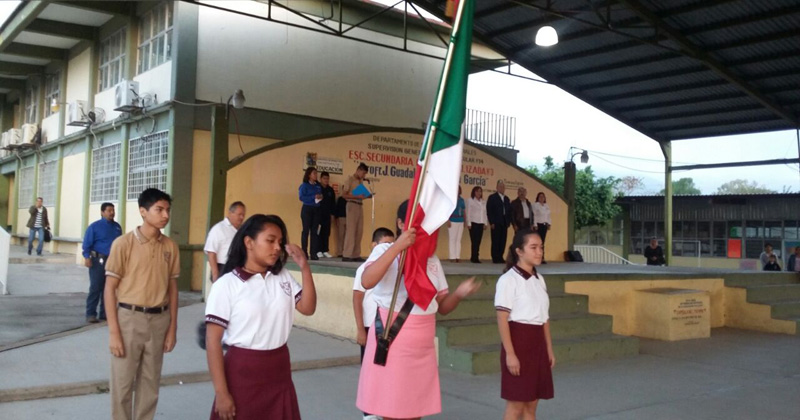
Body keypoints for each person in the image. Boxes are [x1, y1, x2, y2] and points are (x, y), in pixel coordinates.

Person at [356, 200, 481, 419]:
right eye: (418, 223)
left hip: (422, 350)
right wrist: (398, 247)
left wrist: (459, 294)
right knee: (392, 411)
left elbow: (442, 307)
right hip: (393, 342)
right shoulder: (385, 250)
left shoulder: (431, 259)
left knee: (415, 411)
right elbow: (367, 280)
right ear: (400, 223)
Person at [205, 214, 316, 420]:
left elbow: (308, 308)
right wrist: (221, 393)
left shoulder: (282, 276)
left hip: (279, 368)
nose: (277, 248)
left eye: (280, 242)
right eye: (270, 240)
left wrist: (304, 267)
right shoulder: (227, 285)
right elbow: (212, 342)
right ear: (249, 242)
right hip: (242, 371)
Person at [104, 188, 180, 420]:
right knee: (123, 384)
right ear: (143, 212)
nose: (165, 215)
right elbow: (109, 289)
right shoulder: (123, 244)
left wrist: (172, 328)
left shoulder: (170, 247)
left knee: (150, 384)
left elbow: (172, 289)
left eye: (168, 210)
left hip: (159, 321)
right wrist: (114, 333)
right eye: (159, 209)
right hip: (129, 320)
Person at [495, 228, 555, 419]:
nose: (539, 252)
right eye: (533, 247)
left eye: (541, 247)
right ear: (519, 251)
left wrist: (549, 349)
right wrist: (510, 354)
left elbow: (544, 319)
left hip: (537, 344)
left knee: (532, 404)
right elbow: (502, 318)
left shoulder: (539, 279)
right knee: (516, 405)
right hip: (519, 343)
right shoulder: (508, 280)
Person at [353, 227, 395, 420]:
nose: (388, 248)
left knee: (386, 370)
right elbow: (357, 298)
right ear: (373, 245)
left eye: (392, 244)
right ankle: (369, 412)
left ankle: (384, 406)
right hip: (370, 326)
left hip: (388, 327)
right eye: (384, 244)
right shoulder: (364, 269)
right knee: (369, 371)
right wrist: (360, 329)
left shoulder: (394, 268)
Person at [82, 202, 122, 323]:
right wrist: (87, 257)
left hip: (112, 260)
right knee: (96, 287)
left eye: (113, 210)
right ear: (102, 212)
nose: (112, 213)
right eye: (109, 210)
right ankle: (91, 313)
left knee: (109, 288)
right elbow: (86, 244)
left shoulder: (117, 227)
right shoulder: (94, 227)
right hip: (98, 260)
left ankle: (105, 314)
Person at [204, 202, 246, 283]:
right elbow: (211, 252)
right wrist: (215, 273)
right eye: (239, 214)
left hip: (237, 268)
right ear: (230, 213)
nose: (242, 217)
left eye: (243, 215)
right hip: (223, 268)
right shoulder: (218, 229)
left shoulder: (242, 230)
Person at [341, 162, 370, 262]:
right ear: (358, 170)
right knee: (351, 230)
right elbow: (344, 195)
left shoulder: (360, 181)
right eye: (363, 173)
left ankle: (355, 254)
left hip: (359, 205)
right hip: (352, 205)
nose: (364, 175)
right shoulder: (350, 179)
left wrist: (367, 196)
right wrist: (357, 196)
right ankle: (347, 254)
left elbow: (361, 194)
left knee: (359, 230)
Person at [298, 167, 323, 260]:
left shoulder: (318, 186)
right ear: (309, 175)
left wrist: (320, 197)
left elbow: (320, 195)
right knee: (306, 231)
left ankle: (313, 253)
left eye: (316, 173)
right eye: (314, 173)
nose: (316, 175)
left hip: (316, 209)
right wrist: (313, 197)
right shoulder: (304, 185)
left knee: (314, 231)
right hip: (307, 209)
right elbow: (301, 197)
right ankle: (304, 252)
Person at [487, 180, 512, 264]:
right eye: (500, 187)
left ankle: (500, 256)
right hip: (496, 222)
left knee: (503, 241)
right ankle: (495, 257)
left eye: (503, 187)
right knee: (495, 240)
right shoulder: (492, 197)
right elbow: (489, 210)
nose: (502, 188)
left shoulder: (506, 198)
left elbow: (509, 211)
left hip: (504, 222)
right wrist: (491, 222)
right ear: (497, 188)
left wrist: (508, 221)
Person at [466, 186, 488, 264]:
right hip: (473, 223)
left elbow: (485, 213)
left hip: (480, 223)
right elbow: (468, 212)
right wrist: (468, 223)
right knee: (474, 241)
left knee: (478, 241)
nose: (479, 193)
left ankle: (476, 256)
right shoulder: (470, 200)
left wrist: (485, 223)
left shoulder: (483, 202)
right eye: (477, 191)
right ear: (474, 192)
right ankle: (474, 257)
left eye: (480, 191)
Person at [318, 171, 336, 258]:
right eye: (324, 178)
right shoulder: (317, 188)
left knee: (326, 232)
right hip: (318, 214)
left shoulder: (330, 190)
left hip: (327, 214)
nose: (326, 180)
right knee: (318, 232)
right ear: (320, 179)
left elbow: (333, 203)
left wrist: (332, 214)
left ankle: (325, 250)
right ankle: (318, 250)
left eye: (327, 179)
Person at [447, 186, 466, 263]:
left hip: (460, 220)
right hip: (453, 220)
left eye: (459, 189)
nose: (458, 191)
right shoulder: (450, 199)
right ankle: (452, 257)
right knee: (452, 239)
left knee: (458, 239)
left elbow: (464, 211)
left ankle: (458, 256)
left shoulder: (462, 200)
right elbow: (447, 210)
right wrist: (448, 220)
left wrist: (465, 221)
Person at [532, 192, 552, 264]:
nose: (541, 198)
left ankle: (542, 257)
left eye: (543, 197)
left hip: (544, 225)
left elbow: (548, 216)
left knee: (542, 242)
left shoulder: (546, 206)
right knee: (537, 242)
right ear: (537, 198)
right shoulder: (535, 205)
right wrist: (535, 225)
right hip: (538, 225)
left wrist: (549, 223)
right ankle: (535, 257)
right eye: (540, 197)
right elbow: (534, 215)